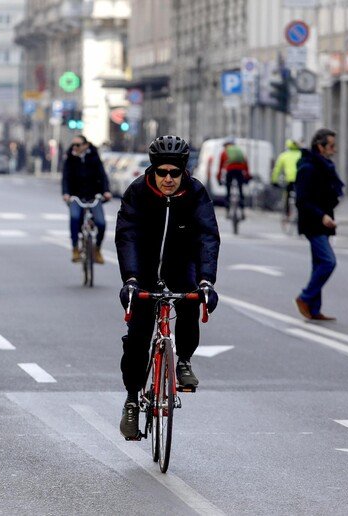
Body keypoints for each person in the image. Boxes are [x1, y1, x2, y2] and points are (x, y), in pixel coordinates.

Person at [115, 135, 220, 440]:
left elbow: (208, 237)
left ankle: (183, 360)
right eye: (162, 172)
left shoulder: (196, 192)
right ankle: (132, 400)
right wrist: (130, 279)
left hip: (181, 265)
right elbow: (127, 236)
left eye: (175, 173)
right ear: (154, 170)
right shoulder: (137, 191)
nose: (168, 179)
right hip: (144, 270)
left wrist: (206, 280)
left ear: (184, 171)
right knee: (137, 337)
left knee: (190, 302)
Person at [294, 128, 343, 321]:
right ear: (320, 146)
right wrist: (321, 215)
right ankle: (305, 297)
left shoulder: (324, 166)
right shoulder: (308, 167)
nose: (334, 149)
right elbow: (302, 200)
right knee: (329, 262)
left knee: (319, 264)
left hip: (323, 222)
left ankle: (314, 309)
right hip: (313, 223)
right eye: (331, 146)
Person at [61, 134, 112, 263]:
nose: (75, 147)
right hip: (76, 196)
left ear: (85, 145)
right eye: (73, 145)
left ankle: (97, 249)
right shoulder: (70, 158)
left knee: (101, 223)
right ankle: (75, 248)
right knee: (74, 218)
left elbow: (102, 175)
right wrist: (66, 193)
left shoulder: (94, 157)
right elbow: (66, 178)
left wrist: (106, 191)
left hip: (93, 196)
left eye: (78, 145)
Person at [217, 139, 251, 219]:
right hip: (240, 171)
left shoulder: (224, 152)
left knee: (228, 191)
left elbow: (220, 167)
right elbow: (245, 164)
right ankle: (242, 211)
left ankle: (227, 211)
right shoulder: (240, 151)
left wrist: (218, 178)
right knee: (240, 190)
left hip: (230, 171)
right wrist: (247, 176)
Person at [271, 139, 302, 219]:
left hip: (289, 180)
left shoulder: (284, 155)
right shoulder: (300, 154)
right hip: (300, 180)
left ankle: (287, 214)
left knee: (287, 196)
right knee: (300, 196)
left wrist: (274, 180)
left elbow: (277, 169)